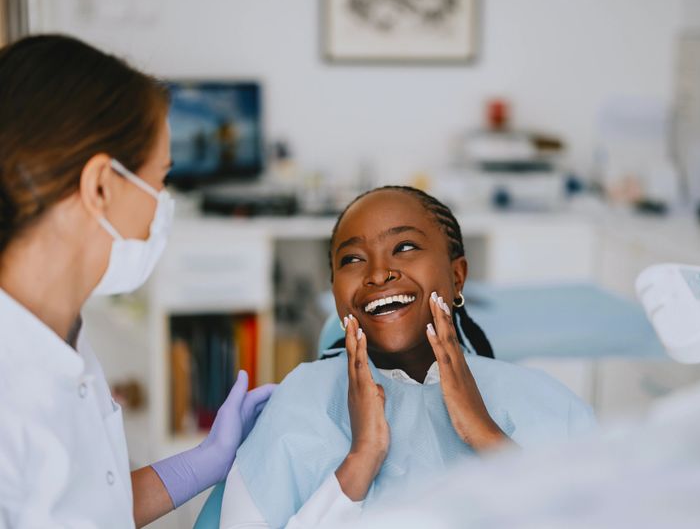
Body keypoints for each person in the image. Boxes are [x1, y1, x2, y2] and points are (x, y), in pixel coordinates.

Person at [0, 35, 274, 528]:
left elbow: (84, 505)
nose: (160, 207)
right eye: (161, 181)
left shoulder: (61, 336)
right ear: (101, 186)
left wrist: (202, 462)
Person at [220, 186, 596, 528]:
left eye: (404, 248)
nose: (378, 273)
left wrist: (487, 436)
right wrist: (359, 462)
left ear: (457, 275)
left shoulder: (547, 403)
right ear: (334, 290)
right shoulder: (300, 400)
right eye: (352, 259)